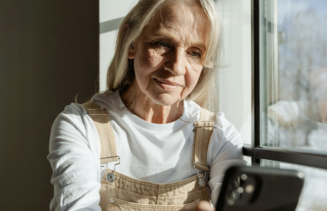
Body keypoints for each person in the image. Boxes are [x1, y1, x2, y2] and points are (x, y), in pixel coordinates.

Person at [47, 0, 244, 210]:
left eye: (194, 52)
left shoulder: (220, 136)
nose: (177, 66)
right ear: (131, 42)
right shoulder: (80, 126)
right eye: (163, 44)